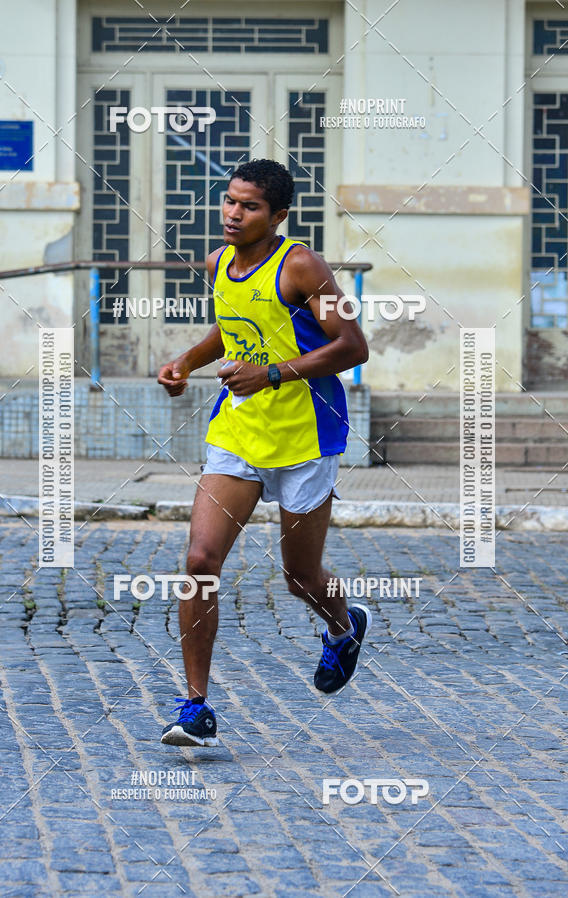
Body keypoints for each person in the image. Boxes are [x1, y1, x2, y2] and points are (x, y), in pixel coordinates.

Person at [158, 159, 370, 747]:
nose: (232, 214)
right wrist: (186, 363)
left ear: (278, 216)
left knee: (300, 577)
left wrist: (273, 373)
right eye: (229, 201)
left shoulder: (302, 265)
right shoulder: (218, 263)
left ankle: (343, 625)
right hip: (238, 433)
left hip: (306, 436)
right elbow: (231, 331)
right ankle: (196, 707)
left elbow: (353, 346)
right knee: (201, 562)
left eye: (248, 206)